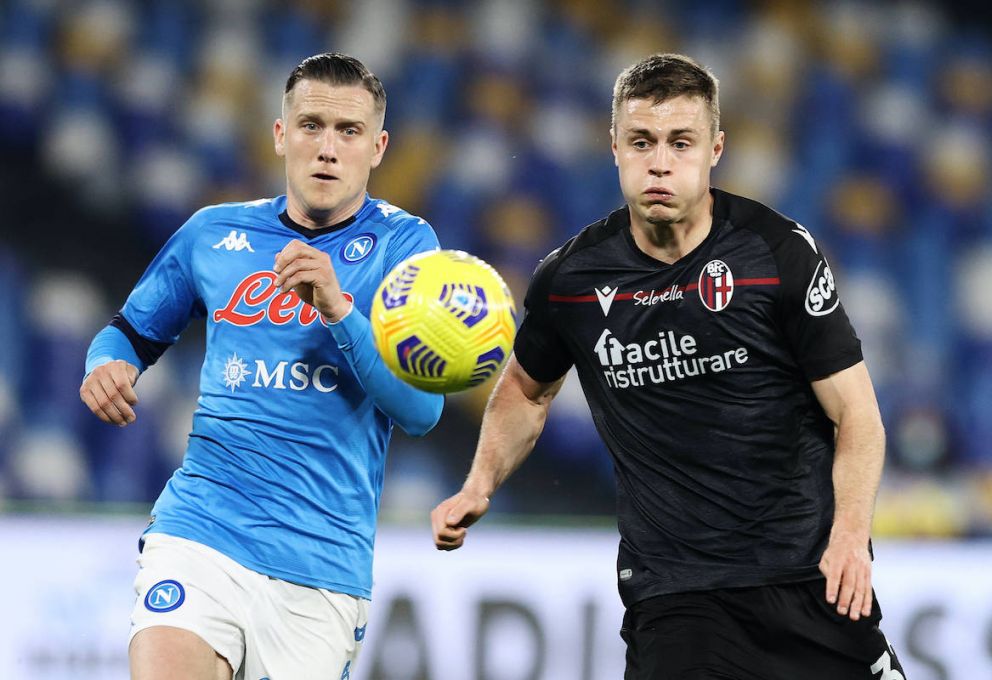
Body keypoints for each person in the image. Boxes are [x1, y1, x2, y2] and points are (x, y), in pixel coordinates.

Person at [431, 53, 907, 679]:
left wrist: (850, 534)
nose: (660, 161)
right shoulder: (569, 282)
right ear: (615, 148)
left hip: (810, 577)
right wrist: (480, 483)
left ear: (716, 148)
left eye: (681, 142)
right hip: (677, 597)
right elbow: (525, 389)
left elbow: (857, 415)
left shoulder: (776, 254)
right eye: (642, 142)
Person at [80, 53, 443, 680]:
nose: (327, 148)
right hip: (202, 529)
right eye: (310, 126)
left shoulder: (407, 247)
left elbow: (421, 412)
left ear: (378, 148)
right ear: (280, 135)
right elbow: (127, 335)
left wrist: (339, 309)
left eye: (348, 132)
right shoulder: (213, 234)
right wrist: (104, 365)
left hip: (321, 562)